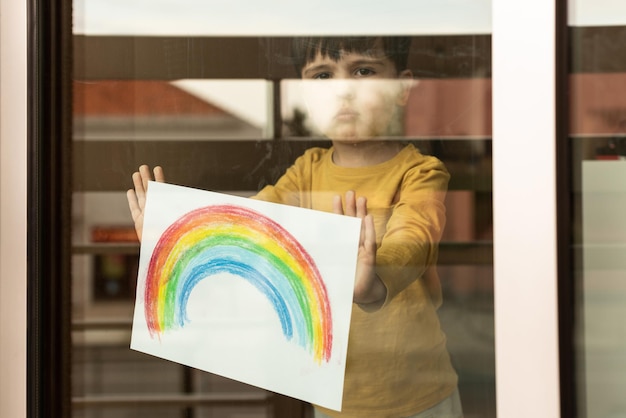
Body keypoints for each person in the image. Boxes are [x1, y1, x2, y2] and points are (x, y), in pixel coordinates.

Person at [127, 36, 462, 418]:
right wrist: (176, 237)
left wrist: (374, 280)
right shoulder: (307, 171)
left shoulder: (420, 173)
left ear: (401, 87)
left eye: (363, 70)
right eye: (322, 75)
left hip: (420, 397)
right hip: (332, 397)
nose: (342, 89)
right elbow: (251, 223)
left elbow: (413, 240)